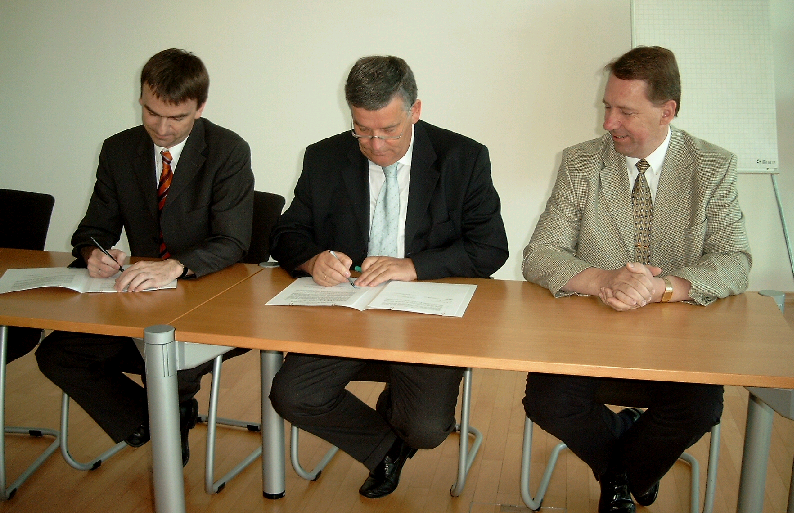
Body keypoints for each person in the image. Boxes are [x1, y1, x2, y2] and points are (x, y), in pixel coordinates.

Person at [521, 46, 751, 513]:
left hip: (679, 336)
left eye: (625, 111)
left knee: (700, 410)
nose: (609, 123)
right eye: (608, 106)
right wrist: (606, 280)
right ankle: (631, 473)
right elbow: (540, 255)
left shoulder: (712, 167)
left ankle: (620, 475)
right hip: (588, 332)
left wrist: (663, 288)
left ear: (668, 111)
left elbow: (735, 260)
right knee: (546, 400)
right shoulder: (581, 163)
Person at [269, 55, 508, 498]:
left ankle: (401, 418)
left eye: (389, 131)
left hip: (426, 318)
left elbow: (490, 248)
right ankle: (384, 448)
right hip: (347, 312)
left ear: (415, 111)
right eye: (362, 130)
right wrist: (311, 259)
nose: (375, 145)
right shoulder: (324, 157)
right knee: (292, 395)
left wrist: (413, 266)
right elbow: (286, 233)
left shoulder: (463, 158)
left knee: (426, 428)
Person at [36, 48, 254, 466]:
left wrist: (175, 265)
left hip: (205, 297)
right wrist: (92, 253)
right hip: (136, 299)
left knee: (173, 363)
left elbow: (233, 241)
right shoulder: (119, 150)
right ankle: (157, 421)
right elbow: (91, 230)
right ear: (141, 98)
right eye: (152, 113)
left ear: (200, 107)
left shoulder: (227, 150)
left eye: (178, 118)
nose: (163, 128)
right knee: (57, 354)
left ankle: (169, 413)